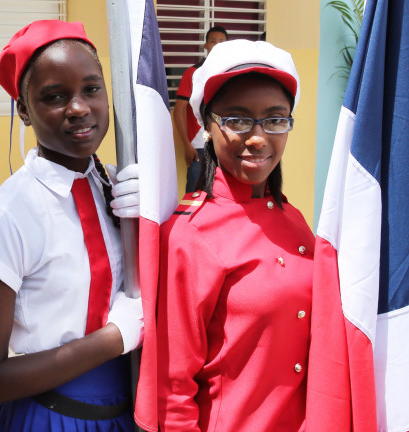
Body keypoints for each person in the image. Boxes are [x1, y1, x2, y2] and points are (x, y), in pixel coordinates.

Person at [0, 20, 143, 432]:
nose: (78, 108)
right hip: (52, 417)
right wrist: (114, 337)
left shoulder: (114, 186)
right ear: (24, 110)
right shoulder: (8, 215)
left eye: (91, 89)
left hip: (125, 410)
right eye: (55, 96)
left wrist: (157, 219)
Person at [156, 39, 312, 431]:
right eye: (238, 120)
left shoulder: (295, 221)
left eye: (275, 120)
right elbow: (172, 391)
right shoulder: (190, 234)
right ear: (207, 127)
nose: (258, 138)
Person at [173, 26, 228, 193]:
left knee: (222, 192)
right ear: (206, 45)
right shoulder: (193, 73)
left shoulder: (230, 73)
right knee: (195, 194)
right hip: (199, 146)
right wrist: (186, 144)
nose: (217, 45)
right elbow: (179, 110)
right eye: (213, 41)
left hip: (225, 143)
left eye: (221, 42)